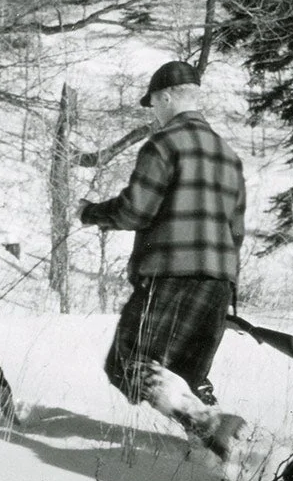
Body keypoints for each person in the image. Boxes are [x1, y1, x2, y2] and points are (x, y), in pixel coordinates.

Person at [80, 60, 248, 459]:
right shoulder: (228, 154)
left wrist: (91, 212)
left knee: (129, 362)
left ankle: (210, 425)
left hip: (171, 273)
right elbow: (236, 230)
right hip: (218, 280)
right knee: (187, 374)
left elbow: (135, 211)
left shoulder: (163, 144)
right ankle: (231, 450)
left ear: (167, 97)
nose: (153, 112)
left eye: (153, 103)